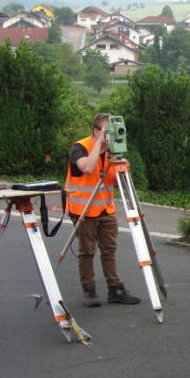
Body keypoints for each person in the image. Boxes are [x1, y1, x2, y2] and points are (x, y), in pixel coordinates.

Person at [66, 113, 141, 307]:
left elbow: (115, 180)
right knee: (87, 250)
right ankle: (89, 289)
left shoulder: (112, 151)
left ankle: (115, 289)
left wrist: (120, 163)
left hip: (106, 208)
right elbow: (89, 169)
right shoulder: (80, 148)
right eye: (108, 132)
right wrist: (99, 144)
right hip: (83, 209)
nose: (112, 136)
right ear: (96, 131)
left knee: (109, 249)